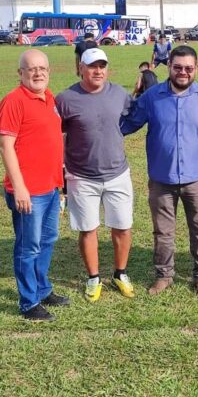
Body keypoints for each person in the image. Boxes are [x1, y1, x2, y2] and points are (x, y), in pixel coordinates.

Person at [121, 45, 198, 296]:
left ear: (196, 68)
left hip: (196, 177)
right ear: (170, 67)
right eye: (177, 67)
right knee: (163, 231)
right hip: (161, 178)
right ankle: (164, 274)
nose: (183, 72)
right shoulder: (152, 97)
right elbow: (127, 124)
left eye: (188, 68)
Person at [56, 48, 135, 302]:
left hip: (117, 173)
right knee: (88, 228)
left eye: (102, 66)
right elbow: (55, 135)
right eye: (92, 66)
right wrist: (60, 172)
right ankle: (93, 277)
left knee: (122, 226)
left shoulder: (119, 94)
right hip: (81, 175)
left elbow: (132, 117)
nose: (98, 71)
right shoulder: (66, 98)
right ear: (81, 67)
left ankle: (120, 273)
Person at [0, 49, 71, 322]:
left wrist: (60, 182)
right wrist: (19, 187)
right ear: (21, 73)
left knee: (48, 240)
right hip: (29, 191)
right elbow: (6, 146)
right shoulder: (13, 101)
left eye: (42, 68)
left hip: (50, 187)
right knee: (29, 247)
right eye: (31, 69)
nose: (38, 73)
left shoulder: (49, 97)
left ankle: (42, 288)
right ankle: (29, 302)